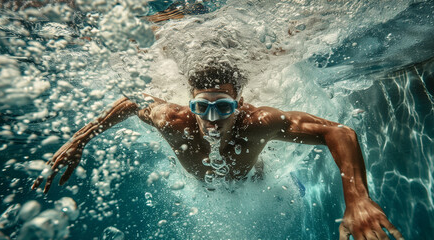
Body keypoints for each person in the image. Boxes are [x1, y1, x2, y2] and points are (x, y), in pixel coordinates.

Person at [31, 61, 404, 240]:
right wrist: (79, 138)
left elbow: (338, 132)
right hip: (208, 187)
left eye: (223, 107)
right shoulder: (171, 120)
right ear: (190, 105)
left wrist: (356, 199)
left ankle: (293, 181)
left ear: (238, 105)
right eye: (202, 108)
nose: (212, 119)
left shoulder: (259, 122)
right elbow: (130, 101)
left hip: (257, 185)